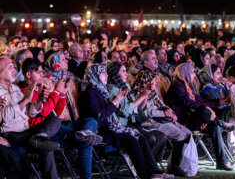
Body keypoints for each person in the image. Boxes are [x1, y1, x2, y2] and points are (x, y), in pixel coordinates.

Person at [82, 64, 172, 179]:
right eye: (103, 73)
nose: (106, 75)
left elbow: (135, 110)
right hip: (103, 129)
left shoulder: (101, 90)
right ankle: (145, 175)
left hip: (113, 125)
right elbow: (98, 116)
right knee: (131, 139)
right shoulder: (90, 92)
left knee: (140, 137)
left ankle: (155, 172)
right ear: (95, 75)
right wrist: (115, 101)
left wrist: (116, 102)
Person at [43, 51, 102, 179]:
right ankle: (84, 136)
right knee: (86, 142)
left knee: (91, 121)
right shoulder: (46, 81)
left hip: (75, 123)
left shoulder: (72, 79)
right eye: (63, 59)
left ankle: (85, 132)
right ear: (55, 62)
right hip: (57, 125)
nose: (67, 61)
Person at [0, 57, 60, 179]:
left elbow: (30, 112)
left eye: (14, 66)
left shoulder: (15, 88)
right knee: (45, 147)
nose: (15, 70)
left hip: (28, 129)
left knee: (54, 119)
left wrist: (38, 100)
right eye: (10, 67)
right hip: (12, 134)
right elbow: (5, 118)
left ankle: (40, 137)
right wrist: (26, 99)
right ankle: (40, 139)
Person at [106, 62, 169, 163]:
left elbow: (139, 109)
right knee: (151, 138)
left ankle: (152, 165)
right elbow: (126, 111)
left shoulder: (125, 86)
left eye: (126, 71)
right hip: (124, 123)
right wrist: (143, 95)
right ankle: (145, 166)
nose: (127, 74)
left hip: (136, 120)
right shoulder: (112, 89)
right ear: (115, 74)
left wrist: (146, 93)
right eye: (123, 71)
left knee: (162, 136)